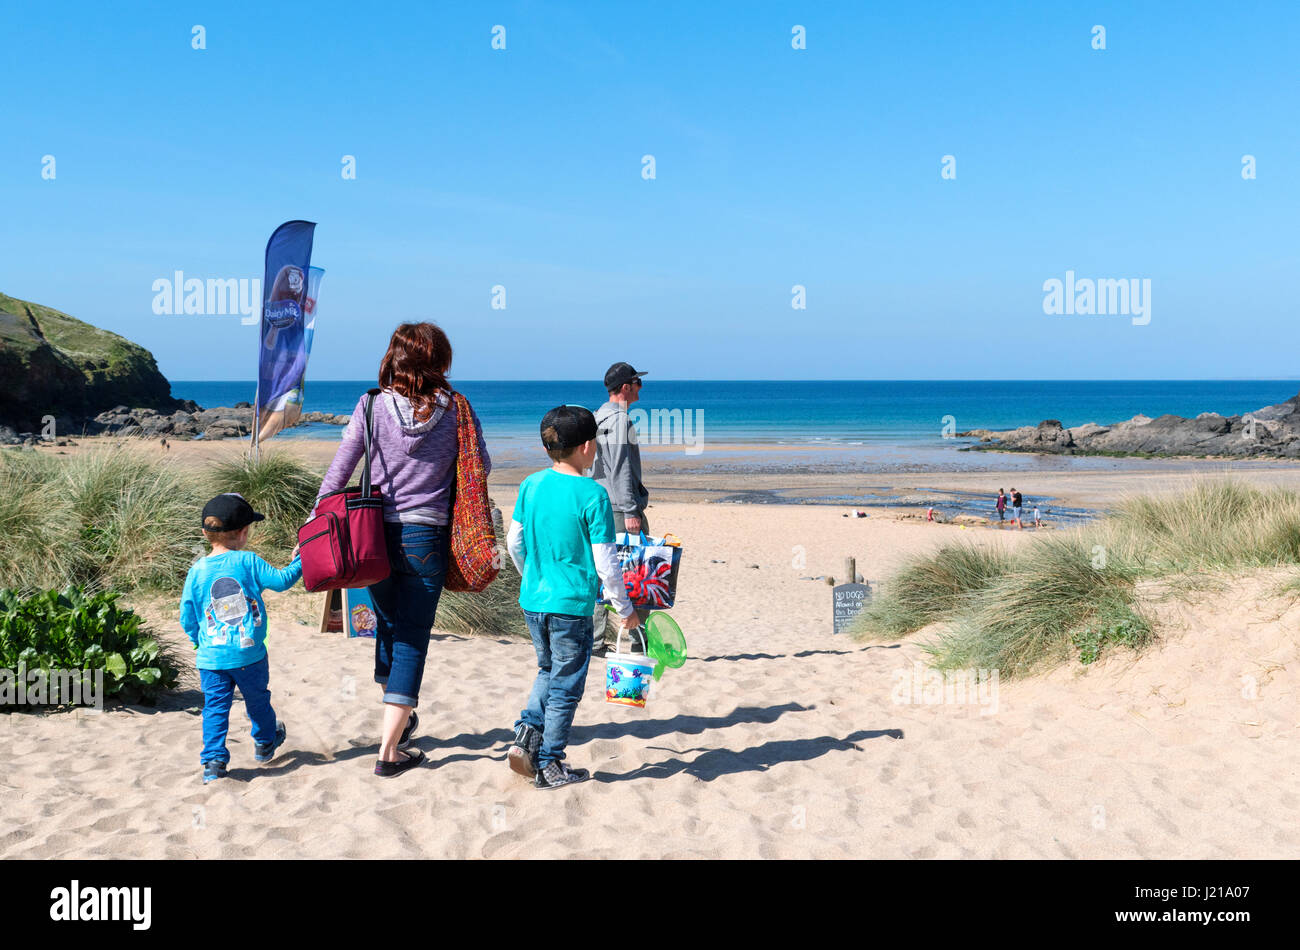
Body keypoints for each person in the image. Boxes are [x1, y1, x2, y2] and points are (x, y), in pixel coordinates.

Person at [316, 322, 490, 778]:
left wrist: (318, 521)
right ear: (439, 362)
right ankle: (389, 752)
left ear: (394, 357)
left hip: (372, 535)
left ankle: (402, 716)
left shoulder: (371, 405)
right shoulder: (458, 410)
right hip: (426, 538)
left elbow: (340, 469)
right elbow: (481, 466)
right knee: (411, 635)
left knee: (390, 624)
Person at [506, 405, 638, 790]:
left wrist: (532, 575)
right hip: (571, 606)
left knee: (548, 670)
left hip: (533, 600)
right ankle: (549, 764)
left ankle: (527, 734)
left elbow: (515, 541)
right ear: (585, 447)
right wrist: (624, 607)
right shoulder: (592, 494)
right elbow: (606, 564)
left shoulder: (530, 484)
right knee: (566, 685)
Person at [180, 493, 301, 784]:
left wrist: (199, 640)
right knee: (257, 700)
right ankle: (265, 742)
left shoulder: (196, 571)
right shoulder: (248, 561)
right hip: (249, 655)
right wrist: (301, 559)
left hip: (211, 658)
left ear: (204, 533)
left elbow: (187, 615)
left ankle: (213, 762)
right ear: (244, 533)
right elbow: (283, 581)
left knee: (215, 708)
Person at [592, 361, 650, 652]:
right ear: (626, 387)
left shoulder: (596, 417)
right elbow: (620, 469)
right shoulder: (619, 421)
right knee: (640, 569)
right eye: (638, 382)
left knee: (604, 570)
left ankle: (595, 639)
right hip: (619, 508)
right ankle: (639, 640)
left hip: (600, 504)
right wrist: (630, 510)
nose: (641, 387)